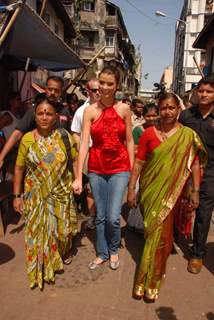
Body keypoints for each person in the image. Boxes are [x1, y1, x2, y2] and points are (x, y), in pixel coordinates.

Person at [127, 92, 206, 301]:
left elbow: (195, 164)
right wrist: (131, 188)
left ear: (178, 110)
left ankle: (149, 282)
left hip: (173, 194)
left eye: (171, 107)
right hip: (150, 191)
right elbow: (140, 163)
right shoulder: (148, 134)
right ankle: (149, 276)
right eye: (163, 108)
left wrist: (196, 190)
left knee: (162, 237)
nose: (167, 112)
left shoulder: (187, 135)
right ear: (158, 110)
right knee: (152, 233)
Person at [13, 95, 78, 289]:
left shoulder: (63, 137)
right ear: (35, 115)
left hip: (60, 193)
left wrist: (78, 179)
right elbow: (19, 168)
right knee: (36, 235)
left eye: (49, 114)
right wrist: (17, 196)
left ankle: (63, 250)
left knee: (63, 232)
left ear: (56, 116)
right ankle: (41, 268)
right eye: (40, 113)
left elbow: (74, 159)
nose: (44, 117)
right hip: (35, 196)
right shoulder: (27, 139)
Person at [72, 66, 134, 270]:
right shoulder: (90, 110)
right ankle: (102, 252)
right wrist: (79, 176)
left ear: (117, 85)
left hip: (119, 168)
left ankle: (114, 249)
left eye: (110, 83)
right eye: (102, 83)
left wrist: (132, 170)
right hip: (97, 168)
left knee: (114, 216)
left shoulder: (124, 109)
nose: (105, 87)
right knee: (100, 215)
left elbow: (129, 141)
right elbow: (83, 144)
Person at [179, 76, 214, 274]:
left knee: (203, 212)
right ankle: (172, 240)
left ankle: (198, 253)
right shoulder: (186, 116)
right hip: (185, 169)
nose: (204, 94)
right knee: (179, 205)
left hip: (210, 172)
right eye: (201, 91)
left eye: (209, 91)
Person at [0, 76, 69, 169]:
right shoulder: (35, 110)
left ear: (61, 92)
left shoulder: (64, 111)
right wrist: (2, 156)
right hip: (34, 162)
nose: (52, 93)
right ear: (45, 89)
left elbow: (69, 137)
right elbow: (17, 133)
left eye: (56, 90)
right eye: (50, 89)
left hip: (57, 164)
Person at [71, 78, 100, 229]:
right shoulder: (81, 111)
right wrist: (81, 152)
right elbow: (75, 133)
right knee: (90, 187)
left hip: (106, 154)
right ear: (88, 91)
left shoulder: (109, 108)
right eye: (94, 90)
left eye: (99, 89)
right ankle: (93, 216)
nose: (98, 92)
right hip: (89, 152)